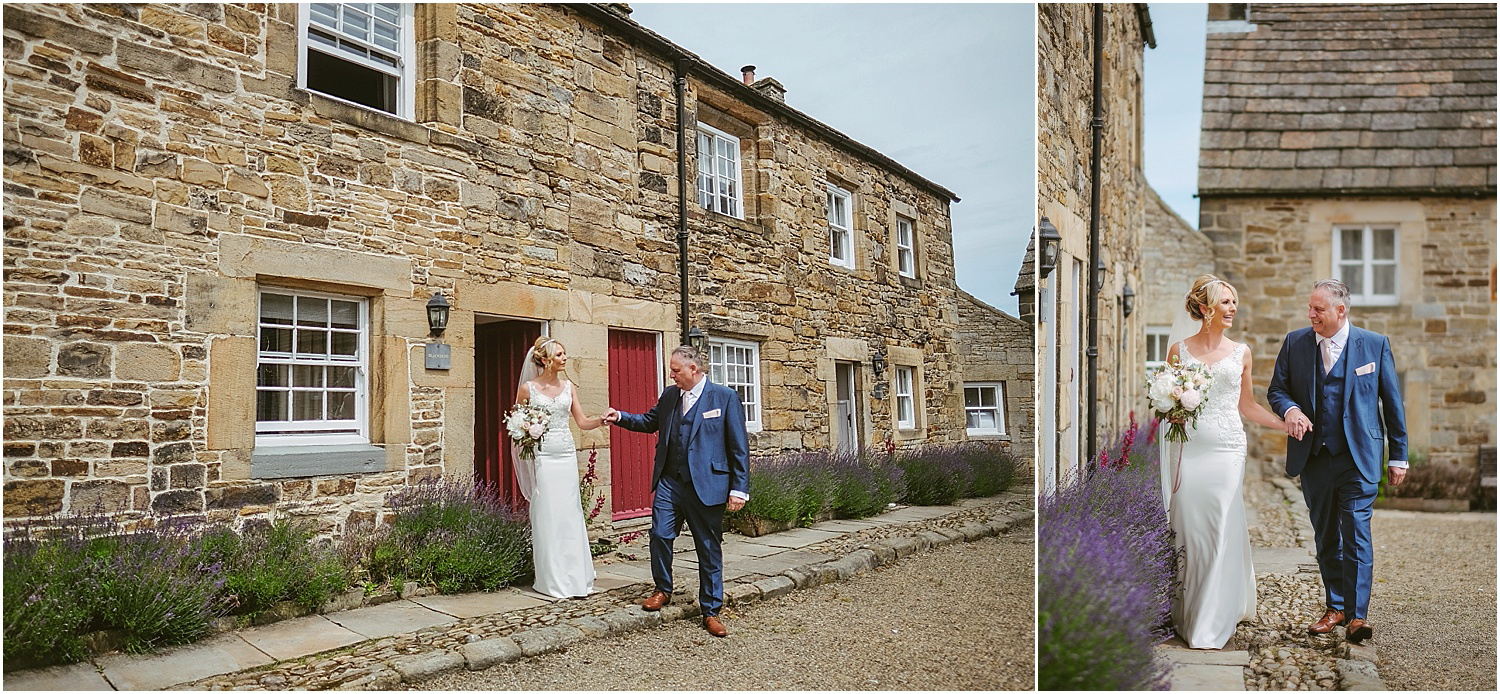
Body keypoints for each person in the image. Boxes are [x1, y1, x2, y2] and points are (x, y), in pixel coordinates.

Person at [1267, 279, 1407, 643]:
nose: (1310, 314)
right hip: (1313, 457)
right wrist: (1292, 409)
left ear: (1340, 311)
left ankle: (1358, 617)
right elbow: (1276, 390)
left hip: (1358, 457)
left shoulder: (1374, 345)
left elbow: (1392, 403)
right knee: (1326, 534)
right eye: (1310, 308)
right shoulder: (1295, 342)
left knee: (1357, 532)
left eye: (1318, 309)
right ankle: (1336, 606)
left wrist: (1400, 456)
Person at [1163, 275, 1284, 649]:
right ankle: (1190, 612)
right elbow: (1167, 406)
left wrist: (1286, 424)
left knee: (1218, 524)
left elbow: (1247, 406)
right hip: (1193, 450)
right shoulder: (1179, 351)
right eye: (1226, 302)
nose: (1233, 308)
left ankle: (1213, 621)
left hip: (1229, 450)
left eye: (1234, 302)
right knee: (1191, 529)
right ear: (1205, 308)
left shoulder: (1241, 352)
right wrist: (1174, 408)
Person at [602, 345, 750, 638]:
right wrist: (620, 416)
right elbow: (648, 422)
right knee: (659, 535)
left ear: (693, 369)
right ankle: (663, 589)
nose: (672, 376)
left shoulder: (724, 397)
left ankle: (711, 610)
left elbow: (739, 447)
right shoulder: (671, 396)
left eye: (676, 370)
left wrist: (739, 488)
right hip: (670, 482)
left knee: (707, 548)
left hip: (707, 486)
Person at [513, 337, 608, 599]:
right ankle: (551, 579)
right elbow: (517, 425)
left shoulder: (568, 387)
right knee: (548, 515)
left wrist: (600, 420)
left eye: (565, 353)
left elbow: (581, 421)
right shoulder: (527, 389)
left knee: (570, 514)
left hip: (565, 455)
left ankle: (576, 576)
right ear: (545, 360)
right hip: (543, 458)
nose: (565, 358)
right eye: (559, 355)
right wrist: (528, 433)